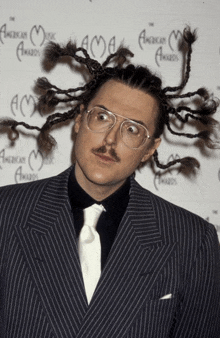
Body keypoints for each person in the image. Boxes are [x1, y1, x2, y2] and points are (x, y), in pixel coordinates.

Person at [0, 28, 219, 338]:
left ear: (150, 149)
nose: (111, 140)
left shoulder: (192, 242)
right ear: (79, 120)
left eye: (132, 130)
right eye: (102, 117)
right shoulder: (5, 214)